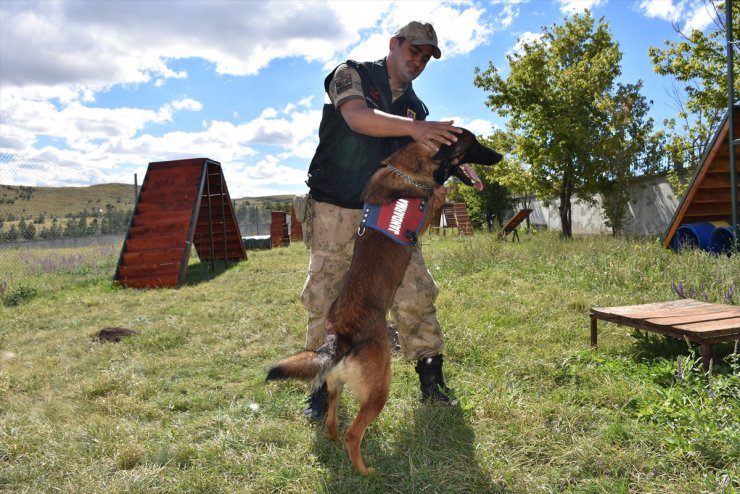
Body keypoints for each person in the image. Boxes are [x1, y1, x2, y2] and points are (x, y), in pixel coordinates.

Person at [300, 21, 461, 419]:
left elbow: (415, 165)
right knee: (326, 294)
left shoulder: (416, 109)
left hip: (393, 209)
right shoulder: (351, 74)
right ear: (394, 44)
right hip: (337, 204)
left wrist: (433, 190)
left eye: (425, 57)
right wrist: (418, 129)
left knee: (415, 290)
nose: (418, 61)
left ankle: (431, 380)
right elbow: (357, 117)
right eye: (413, 51)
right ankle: (322, 389)